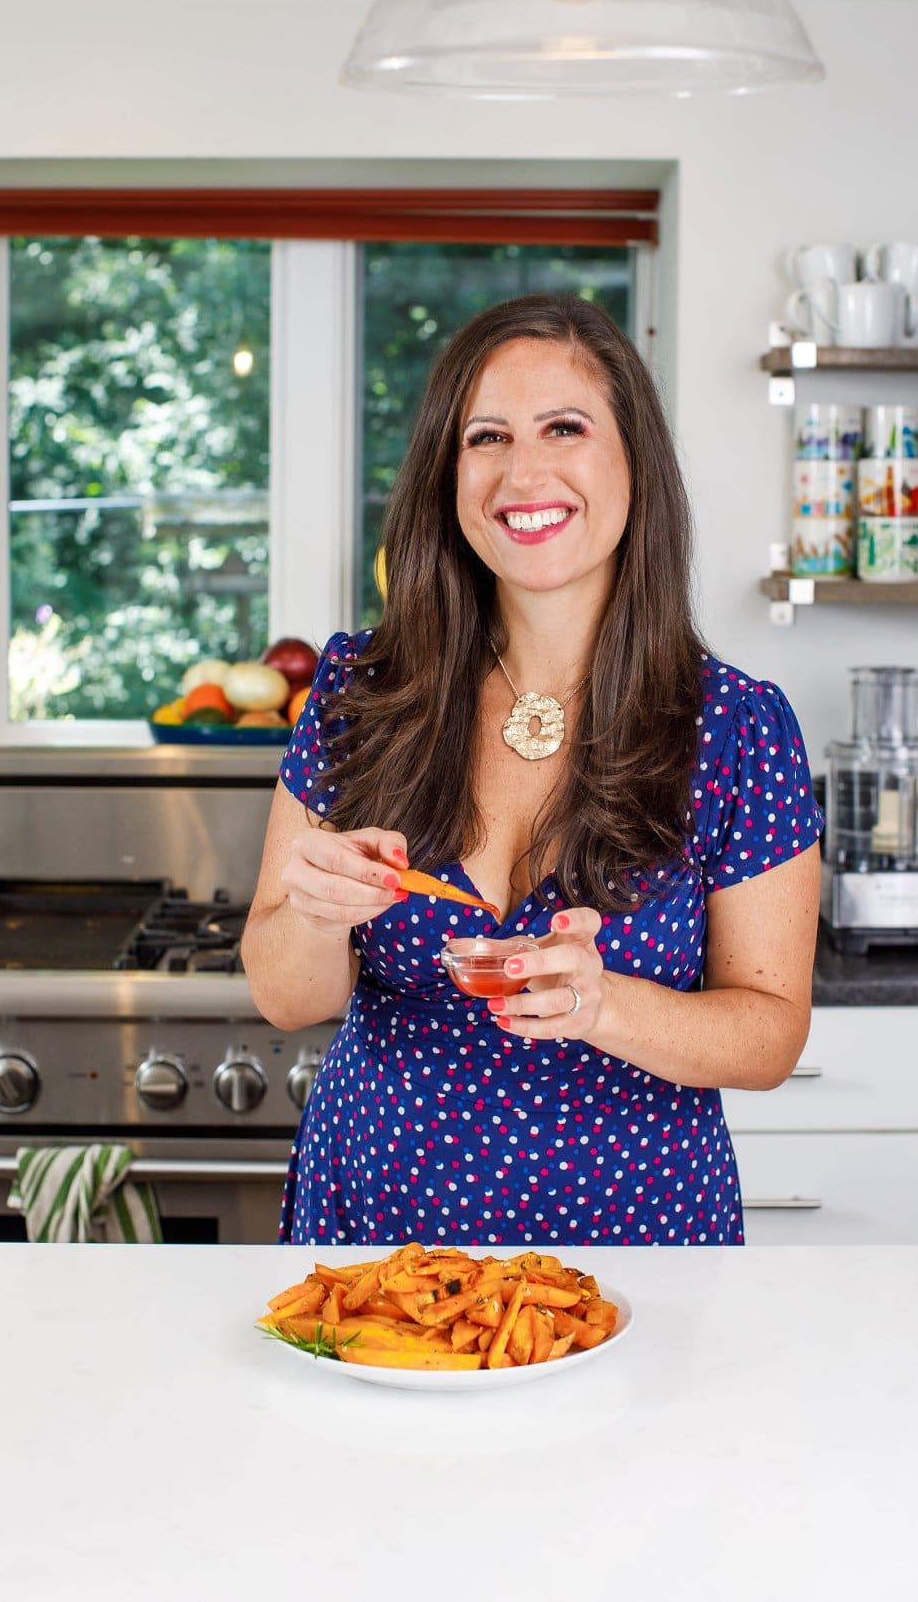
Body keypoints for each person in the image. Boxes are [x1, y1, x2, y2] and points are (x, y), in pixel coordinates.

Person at [241, 293, 822, 1245]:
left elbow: (770, 1036)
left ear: (634, 459)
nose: (524, 472)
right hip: (381, 1252)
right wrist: (314, 912)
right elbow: (286, 996)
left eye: (565, 427)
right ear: (448, 472)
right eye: (487, 437)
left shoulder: (735, 729)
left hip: (636, 1257)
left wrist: (605, 1003)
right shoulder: (360, 692)